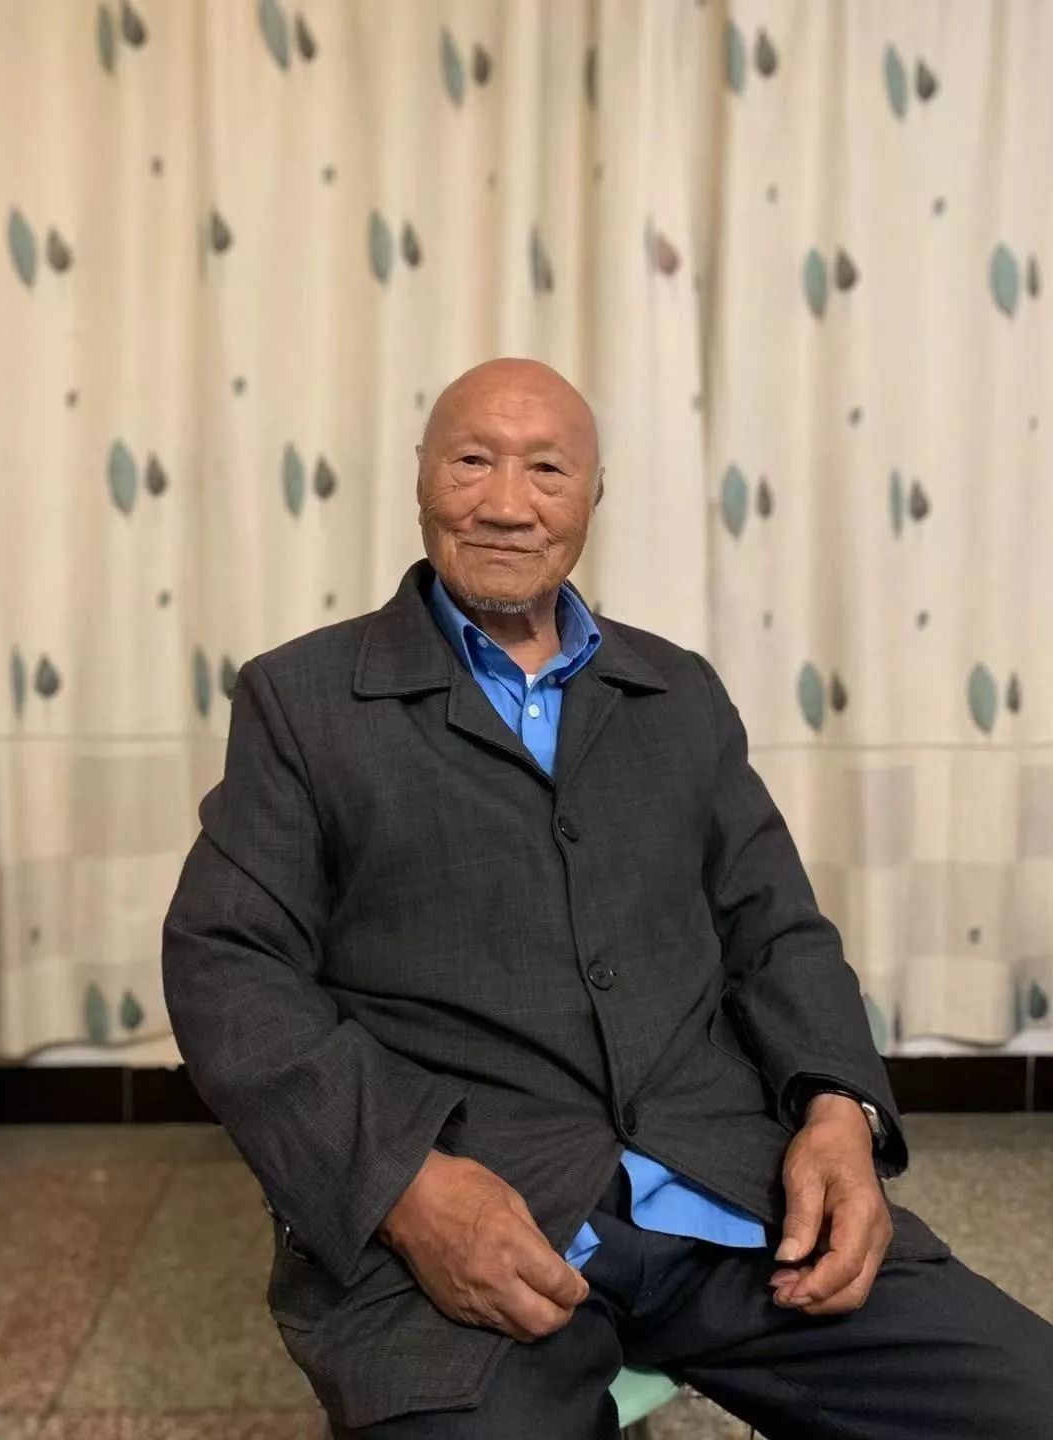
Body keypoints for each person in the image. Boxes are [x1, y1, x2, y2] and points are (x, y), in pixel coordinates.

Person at [162, 359, 1053, 1438]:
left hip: (731, 1191)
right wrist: (406, 1189)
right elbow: (228, 965)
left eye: (547, 469)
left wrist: (838, 1113)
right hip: (472, 1211)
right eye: (473, 461)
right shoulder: (303, 700)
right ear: (421, 478)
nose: (506, 503)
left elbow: (777, 929)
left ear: (593, 495)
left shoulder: (680, 693)